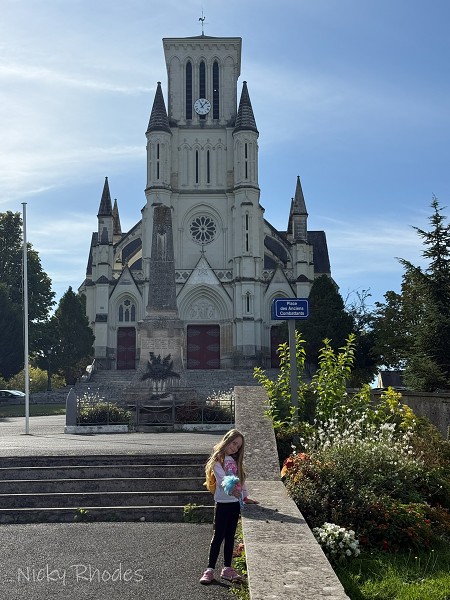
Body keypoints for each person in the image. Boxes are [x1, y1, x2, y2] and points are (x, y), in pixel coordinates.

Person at [199, 429, 258, 585]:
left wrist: (244, 496)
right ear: (226, 440)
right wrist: (233, 490)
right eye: (233, 443)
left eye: (238, 446)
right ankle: (209, 569)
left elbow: (241, 480)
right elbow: (222, 479)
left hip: (235, 504)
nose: (235, 448)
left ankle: (227, 568)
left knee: (230, 536)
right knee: (218, 536)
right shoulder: (218, 459)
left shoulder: (236, 461)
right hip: (222, 503)